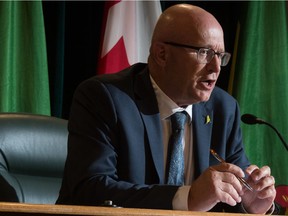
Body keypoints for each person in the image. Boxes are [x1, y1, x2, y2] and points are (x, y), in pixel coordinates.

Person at [57, 4, 277, 214]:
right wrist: (187, 198)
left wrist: (249, 204)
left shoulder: (223, 109)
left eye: (220, 56)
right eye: (204, 52)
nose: (216, 67)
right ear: (162, 54)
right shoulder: (106, 98)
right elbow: (90, 190)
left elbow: (231, 197)